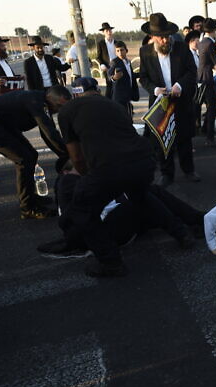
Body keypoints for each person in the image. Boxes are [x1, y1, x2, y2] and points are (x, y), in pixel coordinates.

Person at [57, 77, 156, 277]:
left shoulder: (67, 111)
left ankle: (110, 261)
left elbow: (76, 157)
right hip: (145, 161)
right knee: (145, 197)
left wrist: (88, 179)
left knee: (82, 210)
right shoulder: (115, 104)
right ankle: (185, 229)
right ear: (97, 91)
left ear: (75, 94)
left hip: (110, 167)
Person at [36, 162, 205, 259]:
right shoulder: (69, 181)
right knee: (140, 194)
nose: (85, 167)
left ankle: (196, 221)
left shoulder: (77, 180)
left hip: (106, 222)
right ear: (65, 171)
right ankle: (190, 225)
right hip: (99, 230)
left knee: (149, 192)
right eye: (78, 166)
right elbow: (100, 200)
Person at [0, 86, 71, 218]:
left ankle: (30, 196)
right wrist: (69, 156)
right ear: (49, 98)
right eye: (59, 106)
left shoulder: (42, 101)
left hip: (2, 124)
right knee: (23, 160)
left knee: (31, 155)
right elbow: (49, 133)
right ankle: (27, 208)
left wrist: (65, 155)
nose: (59, 110)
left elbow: (48, 131)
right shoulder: (35, 101)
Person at [139, 13, 199, 186]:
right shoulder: (145, 52)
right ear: (153, 37)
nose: (165, 41)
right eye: (161, 37)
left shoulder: (181, 48)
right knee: (162, 140)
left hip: (180, 100)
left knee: (184, 137)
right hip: (160, 103)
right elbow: (143, 77)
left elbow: (191, 72)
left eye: (167, 37)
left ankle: (189, 170)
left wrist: (179, 85)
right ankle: (167, 173)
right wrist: (155, 90)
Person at [198, 18, 216, 147]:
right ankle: (209, 136)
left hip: (202, 77)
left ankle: (205, 129)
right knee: (213, 106)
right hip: (207, 78)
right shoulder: (210, 43)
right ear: (214, 30)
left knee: (211, 105)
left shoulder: (203, 41)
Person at [108, 41, 139, 117]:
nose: (120, 53)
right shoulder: (114, 62)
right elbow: (109, 75)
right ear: (115, 53)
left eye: (122, 50)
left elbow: (130, 75)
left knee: (129, 117)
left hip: (128, 95)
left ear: (126, 50)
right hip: (119, 97)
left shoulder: (128, 62)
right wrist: (114, 78)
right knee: (122, 118)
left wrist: (143, 74)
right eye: (117, 51)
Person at [96, 22, 116, 99]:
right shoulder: (101, 43)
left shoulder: (116, 42)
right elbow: (98, 56)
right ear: (103, 32)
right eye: (106, 31)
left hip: (117, 66)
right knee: (110, 84)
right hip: (107, 67)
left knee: (118, 85)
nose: (109, 32)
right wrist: (102, 64)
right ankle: (107, 101)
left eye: (110, 30)